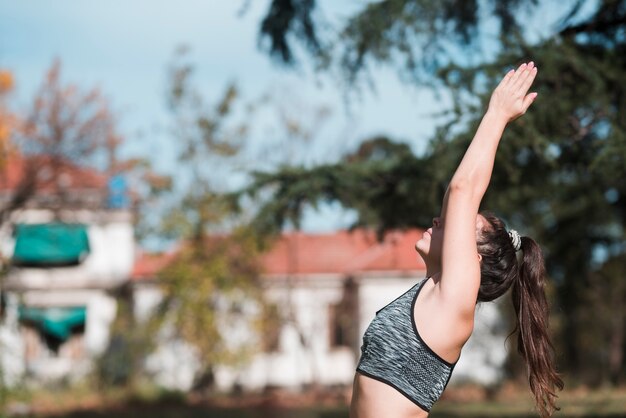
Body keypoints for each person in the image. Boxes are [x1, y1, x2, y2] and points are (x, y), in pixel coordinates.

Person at [350, 62, 563, 418]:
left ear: (473, 260)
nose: (440, 219)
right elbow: (458, 196)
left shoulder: (454, 302)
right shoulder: (431, 294)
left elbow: (463, 190)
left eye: (455, 224)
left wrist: (497, 115)